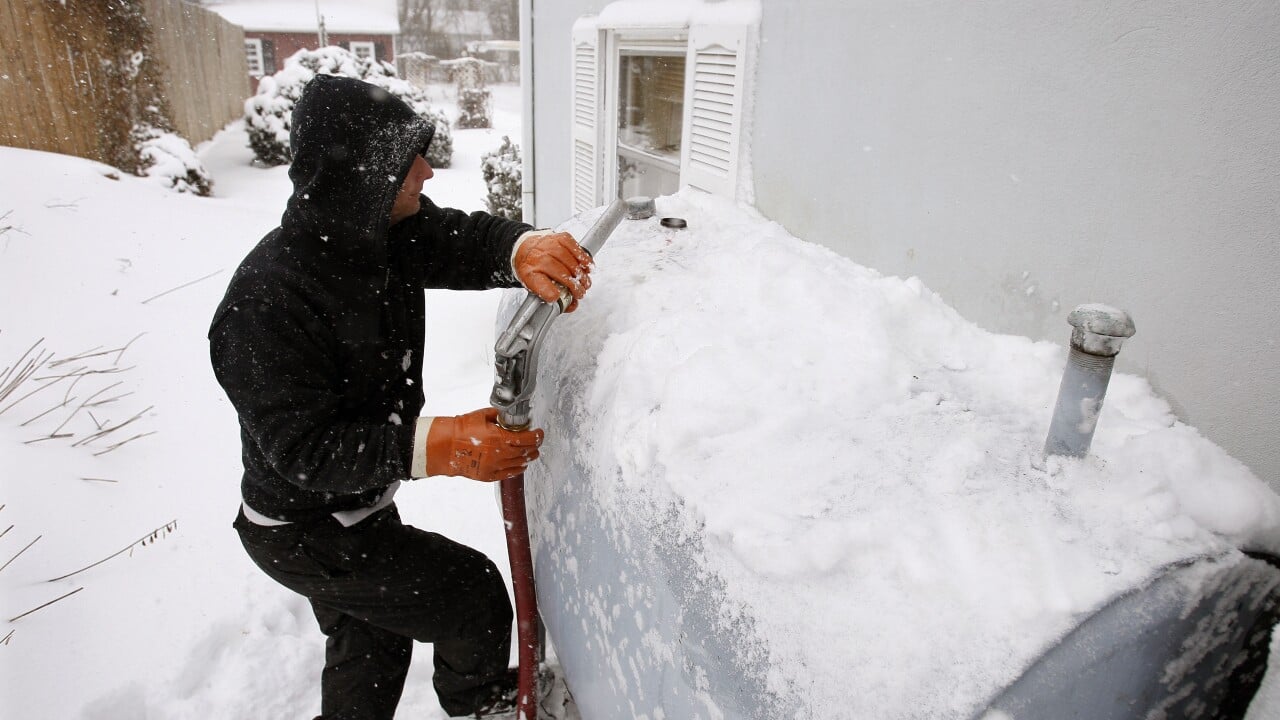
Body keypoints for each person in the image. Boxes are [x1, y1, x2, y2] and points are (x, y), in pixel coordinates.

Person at [208, 74, 592, 719]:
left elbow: (456, 241)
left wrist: (521, 248)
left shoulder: (376, 235)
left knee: (373, 643)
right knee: (468, 595)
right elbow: (303, 450)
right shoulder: (265, 306)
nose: (427, 171)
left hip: (351, 509)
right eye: (404, 160)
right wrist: (439, 444)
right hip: (305, 527)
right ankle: (485, 703)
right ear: (359, 179)